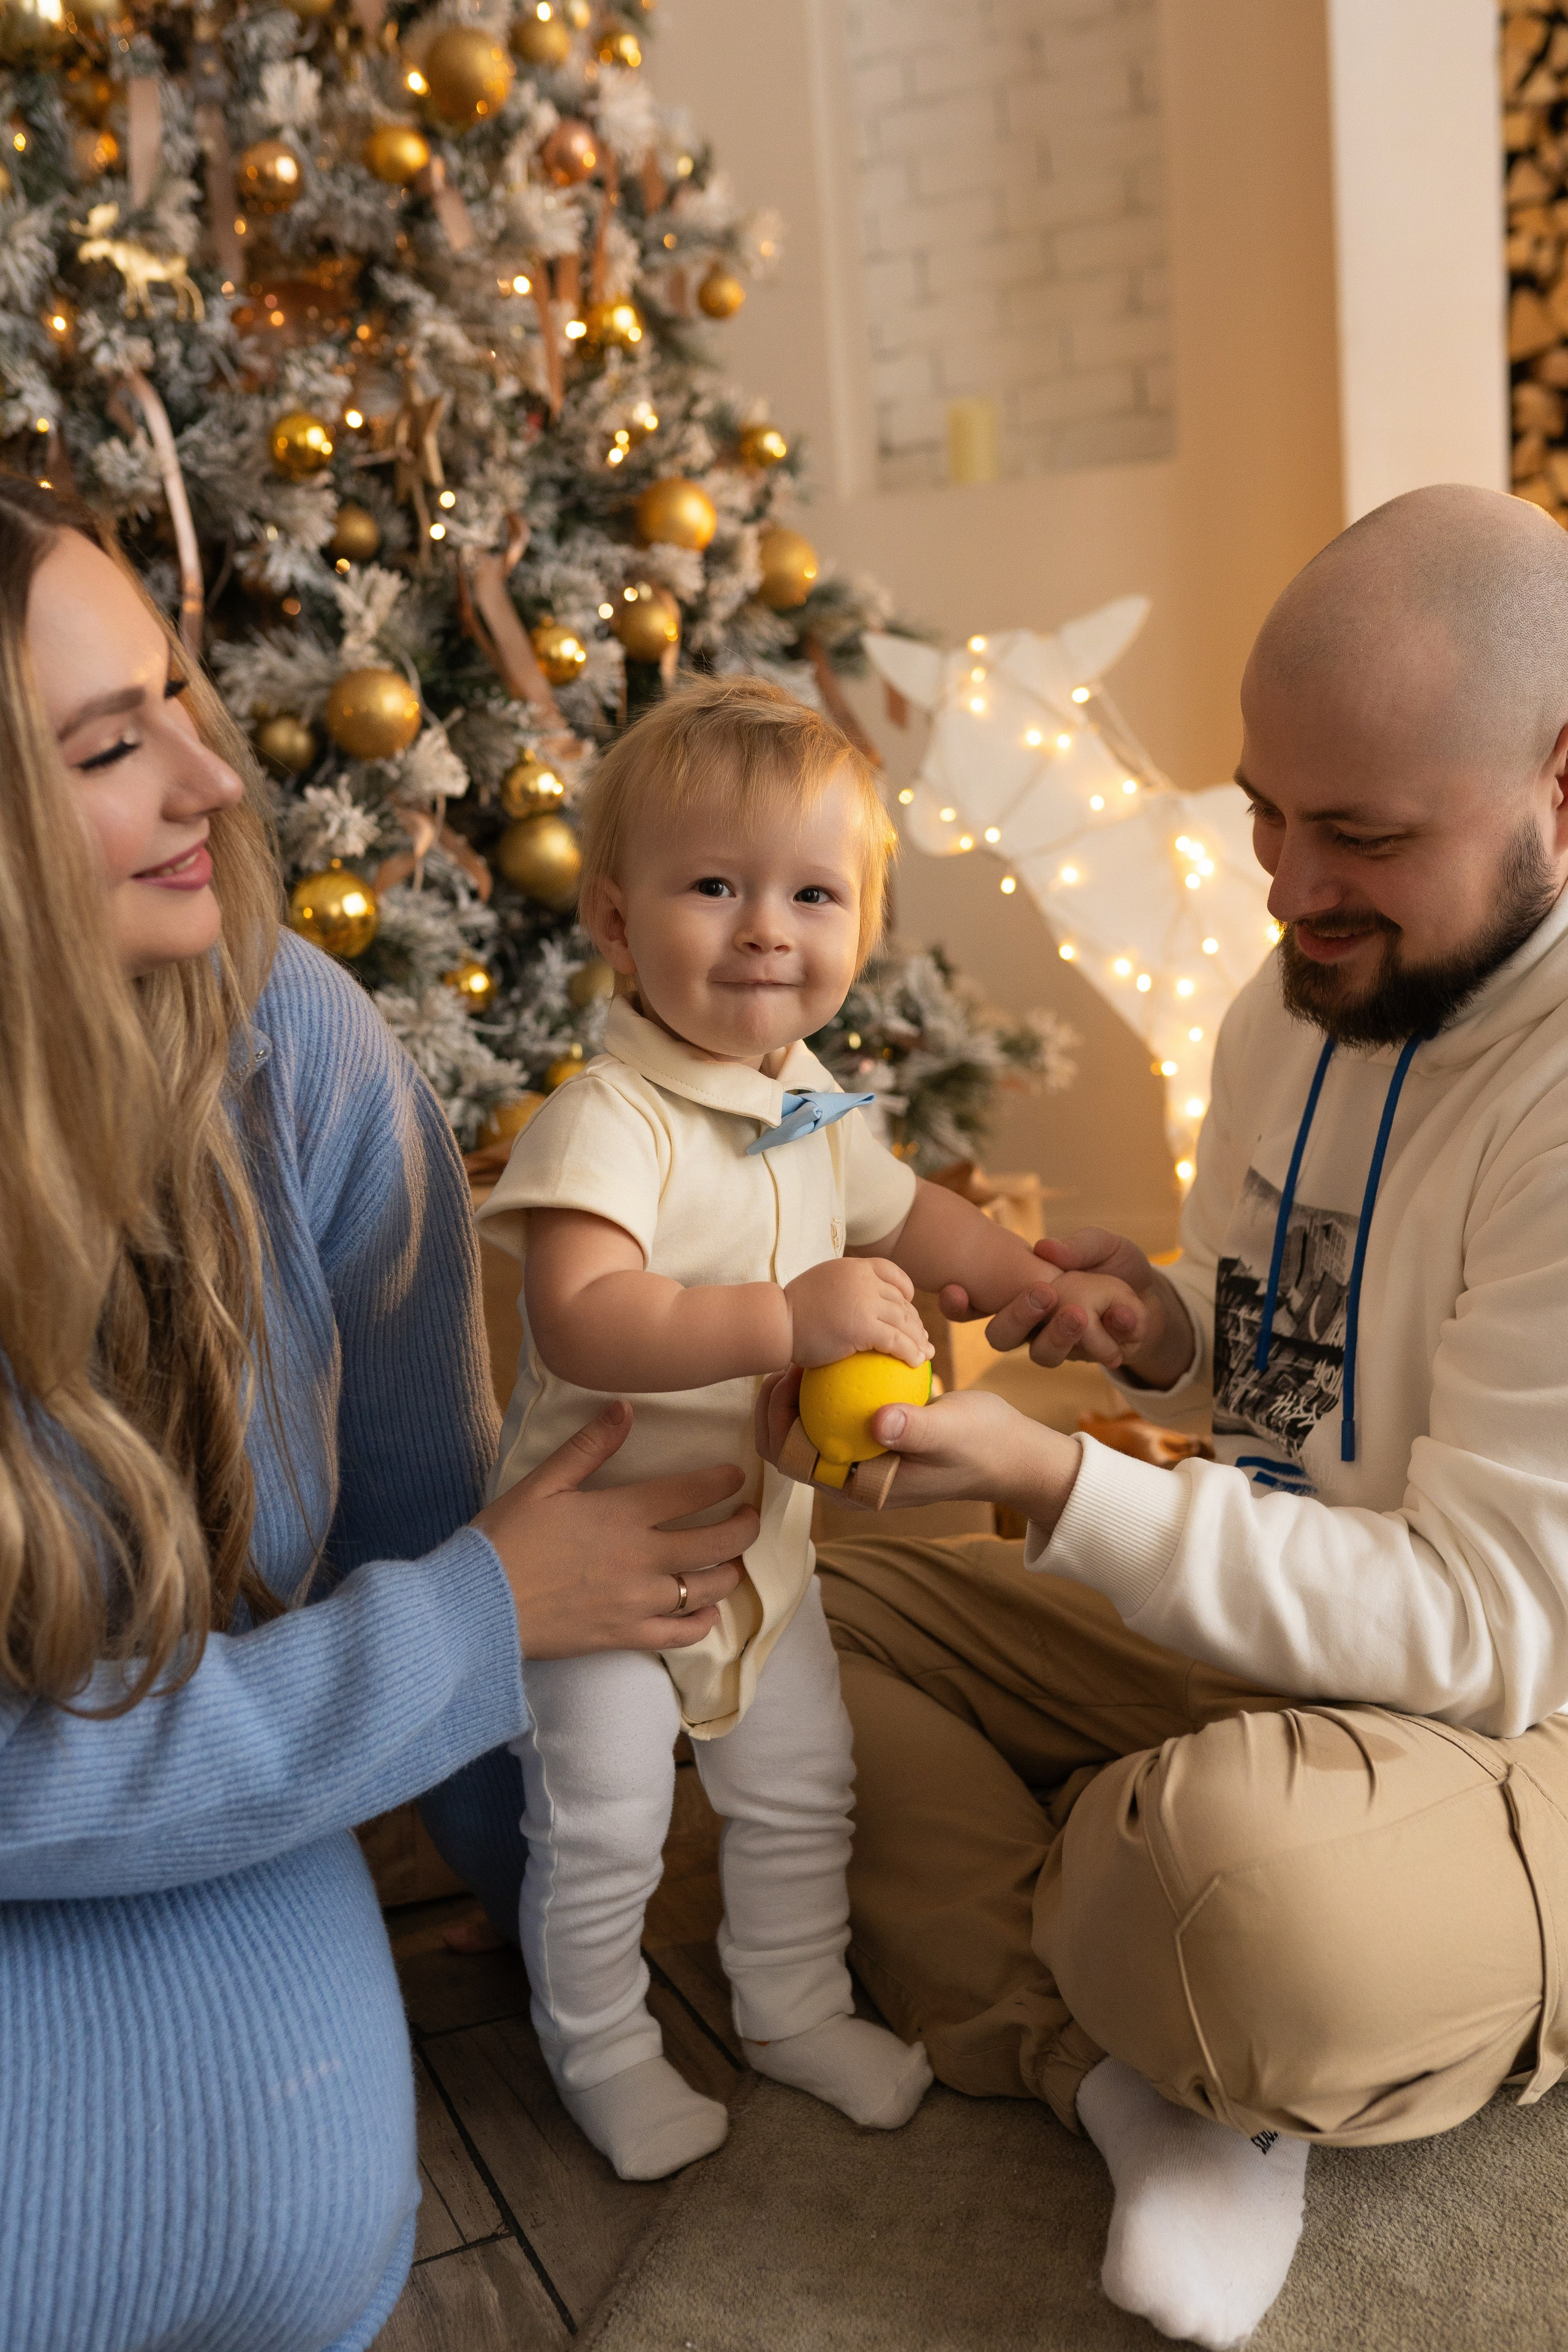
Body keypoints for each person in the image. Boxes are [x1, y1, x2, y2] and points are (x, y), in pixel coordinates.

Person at [753, 483, 1568, 2351]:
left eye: (1361, 835)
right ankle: (1129, 2071)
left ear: (1560, 784)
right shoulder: (1293, 1005)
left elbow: (1482, 1624)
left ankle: (1176, 1921)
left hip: (1529, 1704)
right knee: (769, 1622)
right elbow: (1311, 1368)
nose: (1288, 885)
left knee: (1237, 1900)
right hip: (1295, 1650)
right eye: (1268, 811)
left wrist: (1061, 1483)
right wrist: (1165, 1337)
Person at [0, 473, 755, 2352]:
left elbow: (445, 1533)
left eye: (182, 695)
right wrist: (482, 1619)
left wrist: (608, 1965)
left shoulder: (295, 1049)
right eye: (110, 747)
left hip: (326, 2256)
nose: (218, 779)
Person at [473, 679, 1053, 2180]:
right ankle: (599, 2049)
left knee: (802, 1786)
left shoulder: (809, 1104)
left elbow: (913, 1214)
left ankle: (789, 2007)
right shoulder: (614, 1115)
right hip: (592, 1565)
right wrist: (785, 1323)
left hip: (755, 1552)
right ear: (612, 916)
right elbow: (581, 1315)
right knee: (603, 1828)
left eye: (810, 893)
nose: (762, 931)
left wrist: (1034, 1285)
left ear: (860, 924)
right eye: (711, 887)